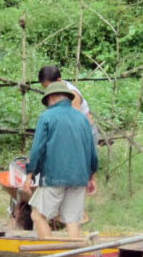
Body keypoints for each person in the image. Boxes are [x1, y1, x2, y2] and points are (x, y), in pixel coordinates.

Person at [24, 82, 99, 239]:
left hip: (54, 176)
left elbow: (38, 149)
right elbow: (92, 150)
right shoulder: (82, 119)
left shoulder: (47, 117)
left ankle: (49, 255)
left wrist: (30, 174)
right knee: (72, 220)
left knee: (38, 216)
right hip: (79, 177)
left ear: (51, 98)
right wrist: (92, 176)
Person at [38, 64, 100, 145]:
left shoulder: (72, 94)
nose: (49, 90)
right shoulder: (55, 94)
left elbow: (74, 121)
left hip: (85, 132)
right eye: (46, 88)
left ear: (59, 80)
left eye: (50, 86)